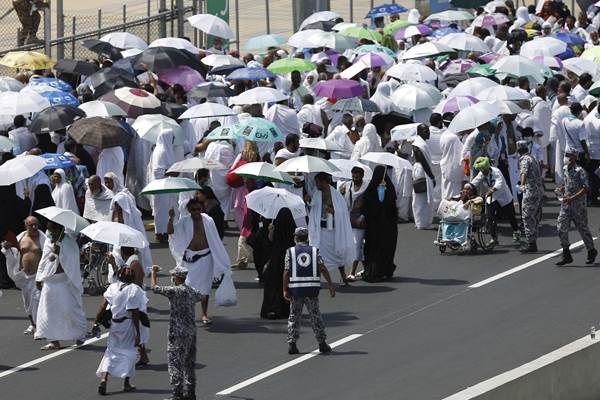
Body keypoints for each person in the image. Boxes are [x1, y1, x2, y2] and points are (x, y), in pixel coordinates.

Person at [168, 198, 231, 325]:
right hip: (190, 259)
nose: (196, 212)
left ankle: (204, 314)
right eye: (193, 210)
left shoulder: (208, 220)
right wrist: (171, 218)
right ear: (189, 211)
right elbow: (171, 232)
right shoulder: (185, 221)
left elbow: (215, 239)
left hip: (206, 257)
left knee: (205, 288)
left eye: (198, 209)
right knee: (189, 287)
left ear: (201, 209)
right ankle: (189, 314)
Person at [151, 265, 203, 400]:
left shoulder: (174, 291)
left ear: (177, 277)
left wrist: (153, 273)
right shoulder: (192, 291)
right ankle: (190, 392)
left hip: (177, 333)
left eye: (173, 276)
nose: (172, 278)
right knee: (189, 364)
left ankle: (177, 394)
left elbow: (154, 288)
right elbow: (202, 296)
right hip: (191, 332)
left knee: (175, 363)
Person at [34, 220, 87, 350]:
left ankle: (80, 334)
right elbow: (44, 261)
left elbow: (70, 264)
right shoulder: (48, 241)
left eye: (53, 231)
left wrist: (60, 253)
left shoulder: (69, 243)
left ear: (60, 230)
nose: (51, 233)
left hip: (65, 282)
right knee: (48, 312)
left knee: (71, 309)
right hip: (50, 282)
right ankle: (53, 340)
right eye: (50, 231)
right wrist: (38, 278)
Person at [283, 227, 336, 355]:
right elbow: (322, 268)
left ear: (295, 237)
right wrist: (330, 285)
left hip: (296, 290)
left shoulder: (290, 251)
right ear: (307, 238)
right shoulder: (314, 251)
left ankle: (292, 344)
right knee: (315, 315)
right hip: (311, 289)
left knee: (294, 315)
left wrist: (285, 289)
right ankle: (322, 343)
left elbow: (286, 271)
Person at [94, 266, 144, 396]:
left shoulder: (112, 287)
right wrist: (138, 334)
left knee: (111, 352)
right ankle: (126, 383)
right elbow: (135, 313)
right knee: (129, 353)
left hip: (114, 325)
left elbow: (102, 306)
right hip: (127, 325)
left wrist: (95, 322)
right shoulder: (134, 290)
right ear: (132, 278)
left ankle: (104, 379)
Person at [308, 173, 355, 286]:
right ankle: (316, 280)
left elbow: (343, 212)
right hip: (321, 231)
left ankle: (343, 277)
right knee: (318, 255)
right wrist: (308, 202)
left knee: (338, 254)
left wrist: (333, 211)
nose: (316, 184)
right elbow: (313, 210)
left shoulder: (336, 195)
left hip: (334, 231)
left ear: (324, 182)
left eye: (318, 182)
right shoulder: (317, 193)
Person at [1, 216, 46, 334]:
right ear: (26, 226)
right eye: (31, 225)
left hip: (37, 276)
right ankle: (33, 324)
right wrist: (7, 247)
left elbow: (48, 255)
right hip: (23, 276)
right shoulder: (21, 238)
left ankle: (39, 327)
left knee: (37, 300)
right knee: (28, 304)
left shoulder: (43, 239)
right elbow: (12, 251)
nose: (34, 227)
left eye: (36, 224)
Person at [555, 149, 598, 265]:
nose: (567, 157)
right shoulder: (565, 169)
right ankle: (566, 253)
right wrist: (562, 189)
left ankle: (591, 250)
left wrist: (573, 198)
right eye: (565, 155)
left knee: (582, 228)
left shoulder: (580, 171)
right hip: (566, 204)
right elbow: (567, 183)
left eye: (569, 155)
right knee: (561, 227)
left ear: (575, 157)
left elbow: (586, 188)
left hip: (578, 205)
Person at [471, 156, 521, 244]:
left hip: (503, 195)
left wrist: (492, 190)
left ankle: (516, 231)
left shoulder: (496, 171)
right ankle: (494, 238)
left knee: (510, 215)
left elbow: (499, 183)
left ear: (487, 167)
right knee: (489, 216)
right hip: (492, 197)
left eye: (484, 170)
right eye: (481, 171)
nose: (483, 173)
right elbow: (475, 182)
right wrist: (467, 187)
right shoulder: (482, 173)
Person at [361, 166, 398, 282]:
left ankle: (385, 270)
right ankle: (372, 271)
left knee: (386, 248)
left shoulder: (389, 188)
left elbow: (392, 205)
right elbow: (367, 204)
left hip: (387, 226)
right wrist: (378, 206)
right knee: (372, 249)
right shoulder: (371, 189)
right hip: (374, 227)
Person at [261, 208, 295, 320]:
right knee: (287, 285)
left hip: (276, 259)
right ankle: (285, 309)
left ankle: (272, 308)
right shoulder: (292, 230)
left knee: (273, 285)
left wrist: (270, 231)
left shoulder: (276, 228)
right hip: (289, 259)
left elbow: (268, 243)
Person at [150, 129, 180, 243]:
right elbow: (157, 171)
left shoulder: (165, 150)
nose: (173, 140)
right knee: (161, 210)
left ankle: (165, 231)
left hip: (166, 185)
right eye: (171, 138)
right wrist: (172, 172)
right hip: (161, 186)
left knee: (165, 209)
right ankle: (160, 233)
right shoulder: (161, 151)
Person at [338, 166, 367, 281]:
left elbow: (369, 205)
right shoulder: (346, 185)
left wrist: (363, 216)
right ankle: (367, 268)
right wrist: (340, 192)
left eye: (357, 176)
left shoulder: (367, 187)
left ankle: (352, 273)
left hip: (360, 221)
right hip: (347, 220)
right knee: (354, 246)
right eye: (353, 176)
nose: (354, 178)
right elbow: (339, 199)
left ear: (362, 176)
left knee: (356, 245)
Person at [517, 140, 544, 253]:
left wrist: (522, 185)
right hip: (538, 190)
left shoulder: (524, 159)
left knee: (527, 217)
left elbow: (524, 172)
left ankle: (531, 243)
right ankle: (533, 241)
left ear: (519, 150)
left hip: (530, 191)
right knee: (535, 217)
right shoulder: (532, 158)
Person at [412, 136, 436, 230]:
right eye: (425, 131)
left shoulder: (419, 143)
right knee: (422, 198)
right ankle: (422, 223)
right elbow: (423, 161)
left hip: (419, 169)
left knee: (419, 198)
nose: (428, 133)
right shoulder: (418, 144)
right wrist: (431, 175)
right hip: (422, 171)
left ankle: (420, 221)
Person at [439, 127, 464, 199]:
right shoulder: (454, 138)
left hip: (446, 166)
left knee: (446, 192)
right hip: (455, 170)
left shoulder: (444, 135)